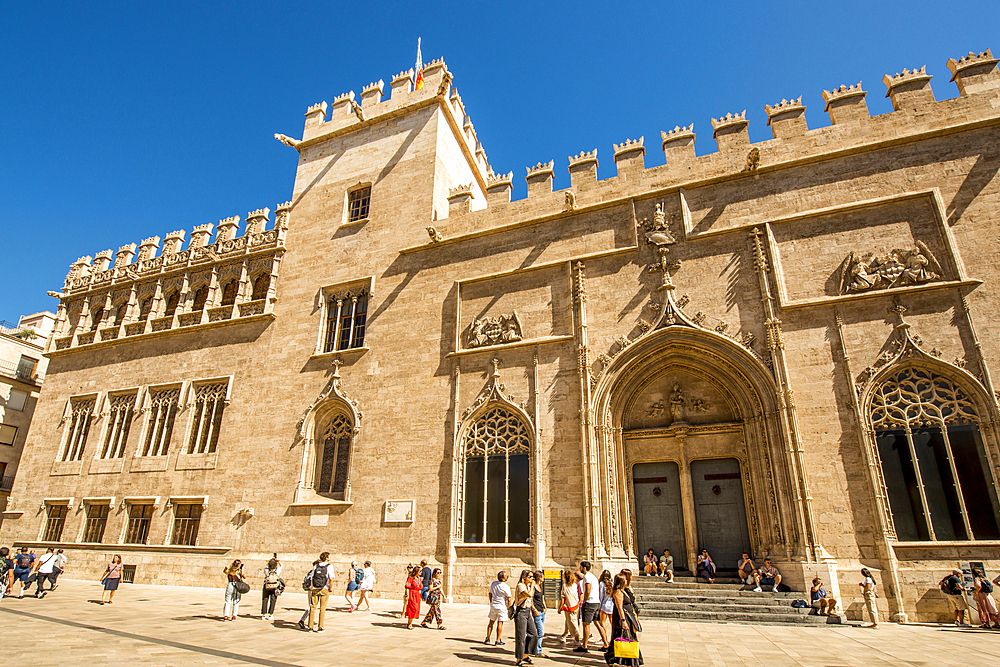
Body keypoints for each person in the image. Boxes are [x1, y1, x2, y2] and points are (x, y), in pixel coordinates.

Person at [605, 573, 643, 666]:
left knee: (627, 636)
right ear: (621, 581)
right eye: (625, 580)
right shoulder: (618, 593)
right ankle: (615, 658)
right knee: (623, 637)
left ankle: (626, 659)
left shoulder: (624, 590)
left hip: (629, 617)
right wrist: (623, 621)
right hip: (622, 618)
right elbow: (619, 608)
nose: (627, 581)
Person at [574, 560, 607, 653]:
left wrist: (585, 600)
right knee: (597, 623)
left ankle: (584, 646)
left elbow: (588, 590)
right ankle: (605, 643)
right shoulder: (593, 576)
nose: (579, 569)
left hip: (590, 603)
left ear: (584, 568)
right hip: (596, 602)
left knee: (586, 624)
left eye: (580, 567)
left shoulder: (587, 577)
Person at [512, 569, 539, 666]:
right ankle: (519, 659)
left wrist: (534, 609)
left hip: (528, 612)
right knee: (521, 636)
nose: (532, 579)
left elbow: (529, 600)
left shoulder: (527, 586)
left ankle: (526, 654)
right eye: (530, 577)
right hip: (521, 613)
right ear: (524, 577)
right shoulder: (521, 586)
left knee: (533, 634)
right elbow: (529, 595)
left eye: (532, 577)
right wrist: (532, 585)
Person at [306, 552, 334, 632]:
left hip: (315, 588)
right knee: (322, 608)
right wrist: (330, 588)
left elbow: (311, 577)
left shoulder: (316, 566)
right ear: (326, 558)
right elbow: (331, 578)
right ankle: (320, 627)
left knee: (312, 607)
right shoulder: (329, 566)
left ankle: (310, 626)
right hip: (324, 588)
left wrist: (312, 587)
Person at [485, 570, 512, 645]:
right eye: (506, 576)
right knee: (500, 623)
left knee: (491, 622)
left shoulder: (494, 584)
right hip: (501, 606)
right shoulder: (506, 587)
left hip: (494, 605)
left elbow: (490, 594)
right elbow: (509, 598)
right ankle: (497, 640)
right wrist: (508, 607)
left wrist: (491, 602)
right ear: (503, 578)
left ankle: (487, 638)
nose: (507, 577)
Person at [557, 569, 581, 643]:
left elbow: (563, 598)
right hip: (575, 605)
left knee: (572, 622)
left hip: (569, 606)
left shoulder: (565, 586)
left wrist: (560, 607)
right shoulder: (574, 585)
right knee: (569, 621)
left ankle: (577, 638)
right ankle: (565, 634)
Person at [531, 571, 548, 658]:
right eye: (542, 577)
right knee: (540, 632)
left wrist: (545, 607)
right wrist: (534, 609)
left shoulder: (539, 586)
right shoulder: (533, 587)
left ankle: (534, 649)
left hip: (542, 611)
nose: (544, 578)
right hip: (537, 611)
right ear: (539, 578)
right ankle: (538, 651)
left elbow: (542, 597)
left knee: (538, 631)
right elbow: (531, 599)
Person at [598, 569, 615, 646]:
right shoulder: (612, 583)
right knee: (612, 623)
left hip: (604, 605)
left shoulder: (602, 584)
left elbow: (601, 596)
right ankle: (613, 637)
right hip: (611, 605)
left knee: (603, 622)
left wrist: (599, 605)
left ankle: (604, 637)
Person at [403, 565, 422, 629]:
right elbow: (407, 587)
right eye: (420, 571)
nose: (421, 572)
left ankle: (410, 622)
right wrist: (407, 595)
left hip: (417, 595)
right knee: (412, 608)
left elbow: (420, 587)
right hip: (412, 594)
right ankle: (409, 624)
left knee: (416, 609)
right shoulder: (411, 578)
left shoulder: (419, 579)